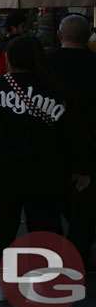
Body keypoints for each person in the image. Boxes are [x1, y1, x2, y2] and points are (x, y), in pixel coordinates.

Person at [0, 36, 85, 302]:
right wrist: (81, 168)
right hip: (44, 173)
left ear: (8, 59)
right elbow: (72, 136)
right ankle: (42, 285)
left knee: (4, 228)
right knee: (44, 228)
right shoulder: (57, 91)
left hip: (1, 172)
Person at [46, 14, 96, 270]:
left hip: (49, 145)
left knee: (51, 203)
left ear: (59, 35)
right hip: (87, 144)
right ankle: (78, 252)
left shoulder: (45, 64)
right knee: (83, 206)